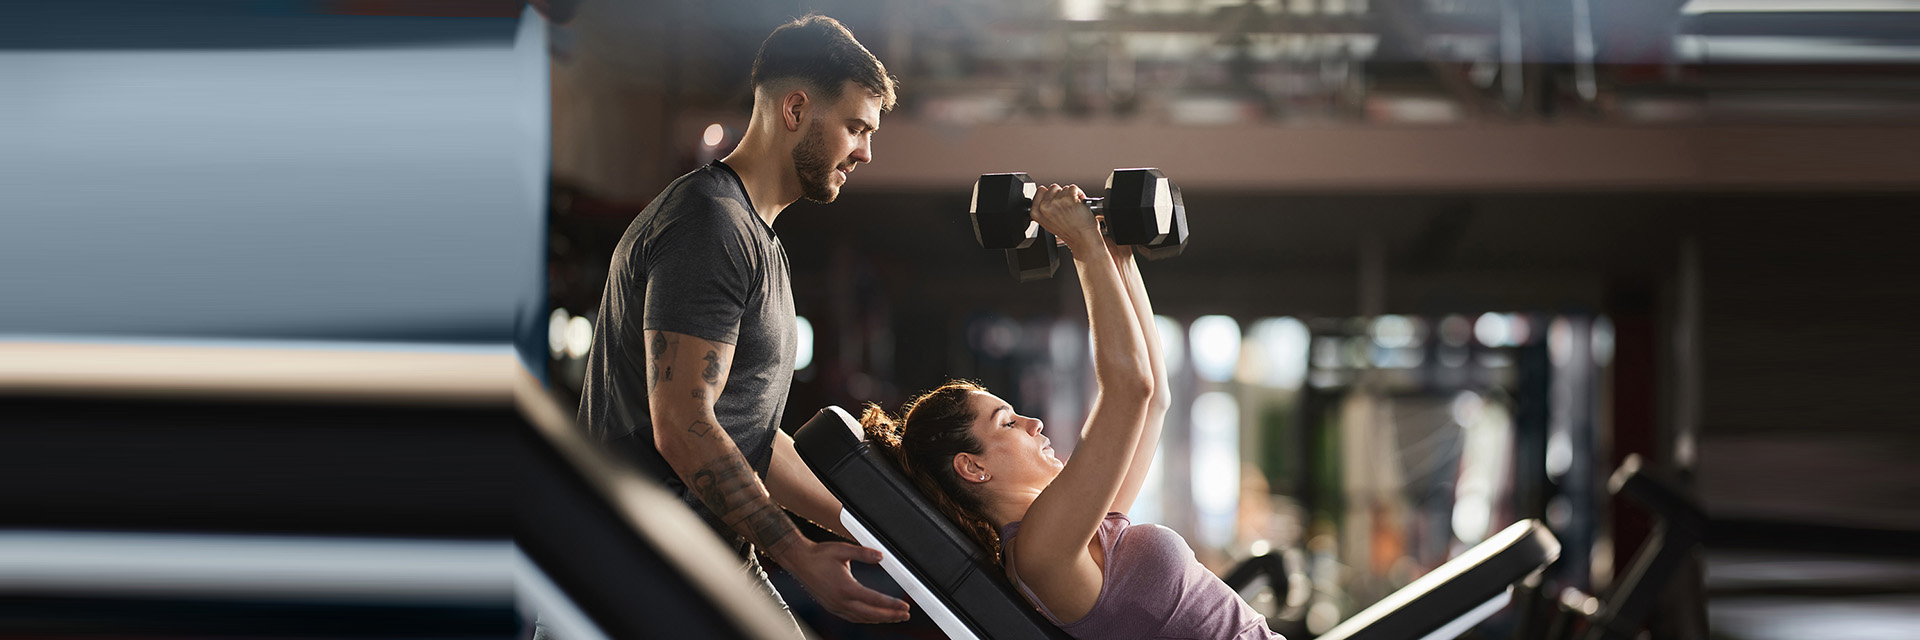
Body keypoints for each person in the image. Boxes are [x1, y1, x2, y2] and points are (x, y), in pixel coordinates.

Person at [575, 14, 912, 631]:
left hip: (709, 555)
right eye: (856, 127)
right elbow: (683, 424)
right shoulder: (709, 225)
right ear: (795, 109)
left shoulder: (758, 241)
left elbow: (752, 438)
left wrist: (871, 527)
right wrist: (799, 554)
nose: (866, 150)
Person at [859, 186, 1286, 639]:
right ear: (971, 466)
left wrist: (1115, 256)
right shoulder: (1040, 551)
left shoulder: (1077, 525)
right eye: (1007, 422)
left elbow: (1154, 397)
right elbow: (1129, 390)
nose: (1033, 423)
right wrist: (1083, 248)